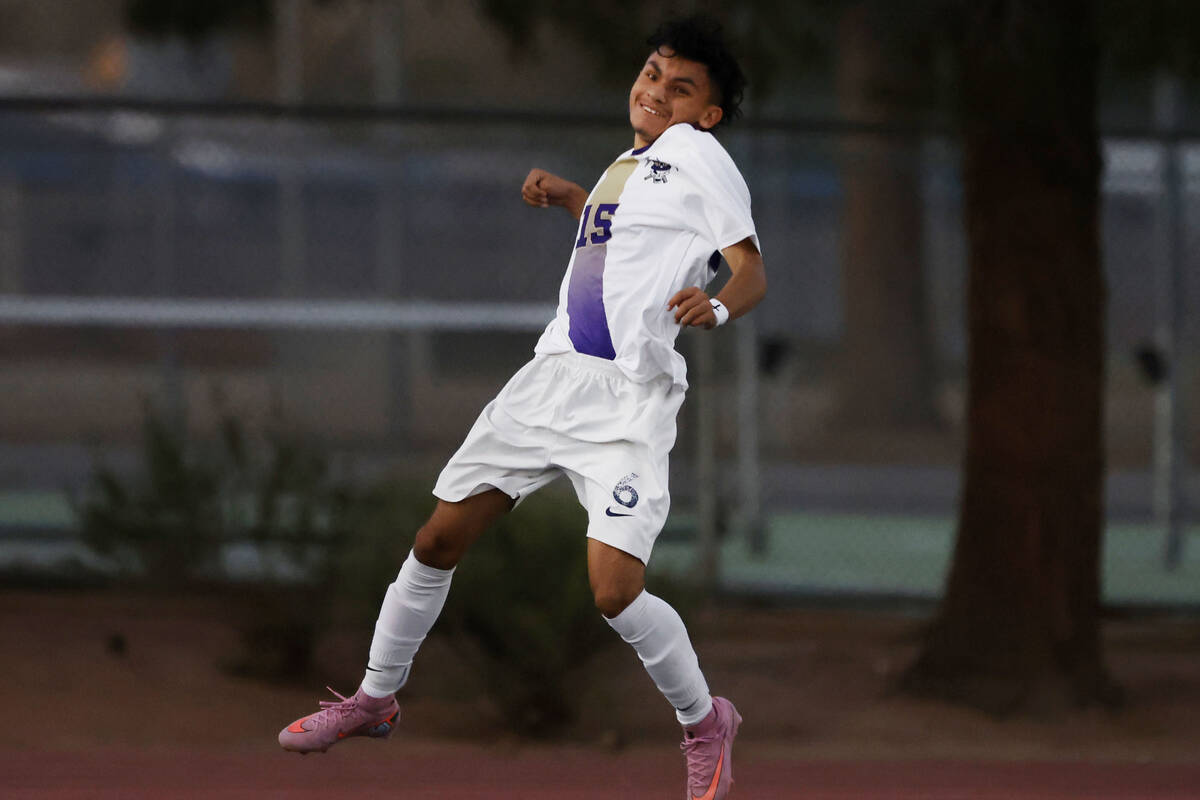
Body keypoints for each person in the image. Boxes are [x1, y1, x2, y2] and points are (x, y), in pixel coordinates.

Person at [279, 15, 765, 800]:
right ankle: (374, 699)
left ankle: (706, 721)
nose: (656, 91)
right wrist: (577, 199)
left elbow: (750, 272)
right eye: (652, 73)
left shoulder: (698, 153)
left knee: (615, 592)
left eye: (681, 89)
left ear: (708, 114)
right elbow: (627, 245)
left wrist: (715, 306)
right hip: (549, 380)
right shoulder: (634, 163)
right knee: (438, 539)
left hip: (625, 402)